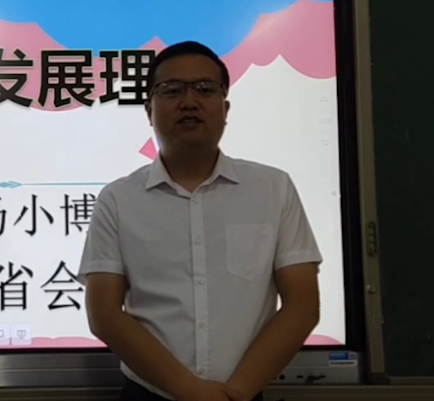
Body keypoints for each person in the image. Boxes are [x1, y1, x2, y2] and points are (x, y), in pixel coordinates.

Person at [78, 41, 322, 401]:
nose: (189, 101)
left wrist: (236, 393)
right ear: (149, 110)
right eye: (172, 90)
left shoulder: (274, 188)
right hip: (148, 395)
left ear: (225, 108)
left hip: (241, 395)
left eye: (205, 89)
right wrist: (192, 391)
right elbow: (104, 314)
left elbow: (302, 306)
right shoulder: (117, 200)